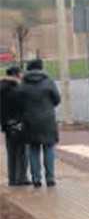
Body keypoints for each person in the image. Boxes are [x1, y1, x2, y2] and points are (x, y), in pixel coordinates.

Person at [20, 59, 60, 188]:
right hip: (47, 119)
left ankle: (36, 178)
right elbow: (57, 99)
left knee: (33, 149)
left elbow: (19, 100)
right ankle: (50, 178)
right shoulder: (48, 82)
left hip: (30, 120)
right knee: (49, 148)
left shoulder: (23, 84)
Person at [1, 66, 30, 186]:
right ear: (16, 75)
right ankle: (21, 178)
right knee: (23, 152)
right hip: (20, 123)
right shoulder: (18, 90)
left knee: (11, 153)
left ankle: (12, 179)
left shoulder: (2, 89)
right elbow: (24, 107)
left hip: (7, 125)